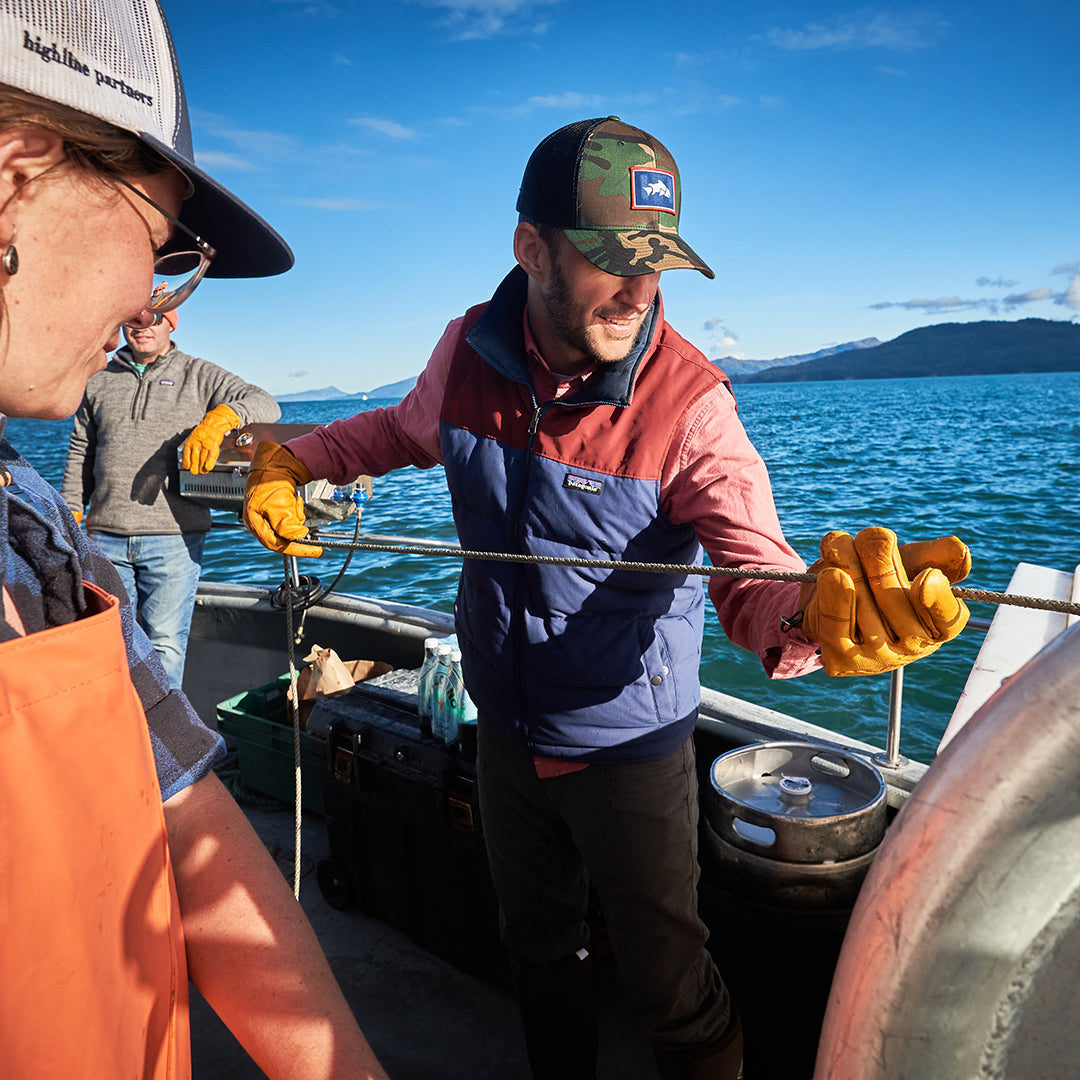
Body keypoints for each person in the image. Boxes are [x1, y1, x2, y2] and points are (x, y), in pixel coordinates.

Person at [244, 116, 971, 1079]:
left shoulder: (695, 409)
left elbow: (756, 581)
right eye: (610, 258)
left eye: (657, 263)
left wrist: (819, 619)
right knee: (534, 941)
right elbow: (400, 430)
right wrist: (294, 458)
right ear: (531, 248)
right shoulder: (464, 353)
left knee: (672, 978)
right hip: (502, 730)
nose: (639, 290)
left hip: (630, 751)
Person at [0, 3, 389, 1078]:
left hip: (158, 545)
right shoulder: (53, 470)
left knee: (153, 697)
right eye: (158, 236)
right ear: (15, 173)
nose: (148, 293)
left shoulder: (15, 505)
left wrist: (249, 440)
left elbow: (177, 798)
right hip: (106, 532)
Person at [61, 307, 280, 688]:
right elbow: (81, 450)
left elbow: (266, 403)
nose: (144, 328)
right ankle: (120, 734)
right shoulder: (96, 377)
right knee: (108, 646)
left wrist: (225, 416)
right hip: (103, 538)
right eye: (135, 320)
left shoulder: (200, 374)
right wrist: (71, 514)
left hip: (175, 540)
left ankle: (162, 743)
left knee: (165, 646)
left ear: (171, 324)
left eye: (155, 319)